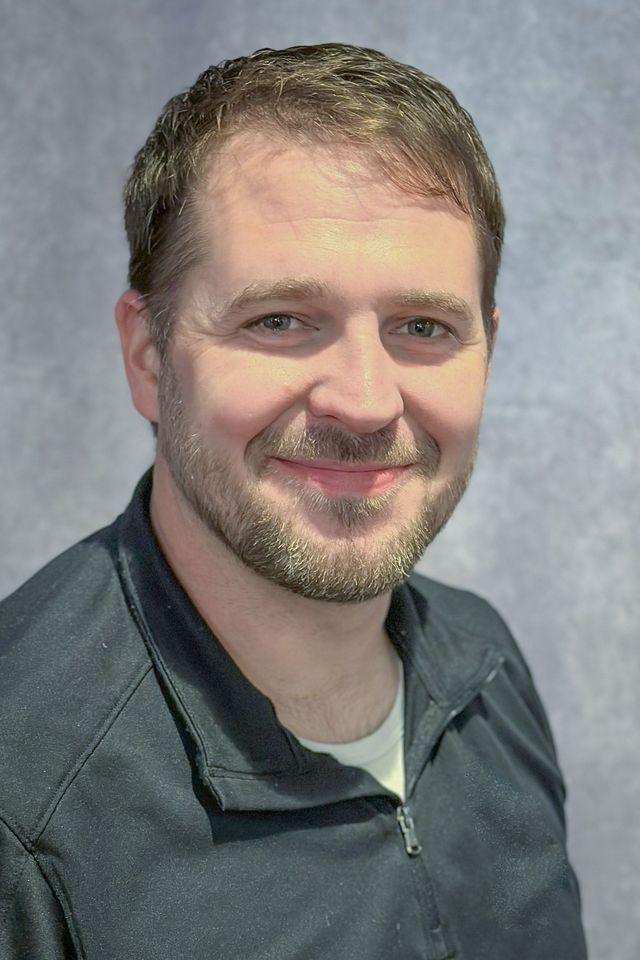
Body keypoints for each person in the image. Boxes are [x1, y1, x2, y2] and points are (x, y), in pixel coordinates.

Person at [0, 43, 587, 959]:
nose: (365, 401)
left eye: (423, 326)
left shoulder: (487, 669)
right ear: (149, 357)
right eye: (279, 321)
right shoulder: (22, 802)